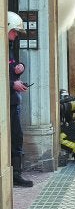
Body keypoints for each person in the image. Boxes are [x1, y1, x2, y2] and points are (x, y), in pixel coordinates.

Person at [8, 11, 33, 187]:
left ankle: (16, 173)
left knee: (17, 137)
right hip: (7, 102)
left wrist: (19, 69)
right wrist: (12, 84)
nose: (16, 35)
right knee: (15, 137)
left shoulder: (8, 46)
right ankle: (14, 174)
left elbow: (8, 71)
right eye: (15, 31)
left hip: (12, 101)